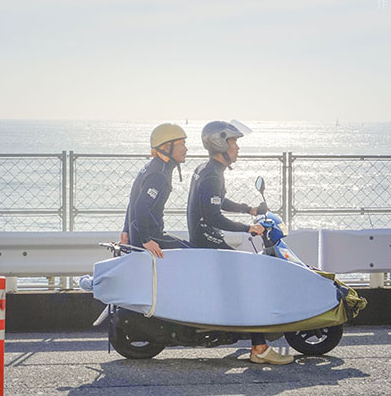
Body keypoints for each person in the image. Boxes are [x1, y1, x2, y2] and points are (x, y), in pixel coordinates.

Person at [186, 120, 294, 365]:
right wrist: (249, 228)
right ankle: (259, 348)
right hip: (208, 240)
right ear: (221, 143)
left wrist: (249, 209)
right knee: (250, 284)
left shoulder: (208, 169)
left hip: (205, 237)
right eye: (234, 142)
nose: (237, 147)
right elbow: (214, 215)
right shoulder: (213, 175)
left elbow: (218, 202)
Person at [121, 123, 189, 258]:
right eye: (181, 144)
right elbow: (141, 206)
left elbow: (133, 200)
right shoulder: (159, 174)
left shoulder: (153, 166)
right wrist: (146, 240)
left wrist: (126, 231)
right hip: (151, 238)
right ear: (167, 147)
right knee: (194, 252)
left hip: (143, 236)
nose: (186, 149)